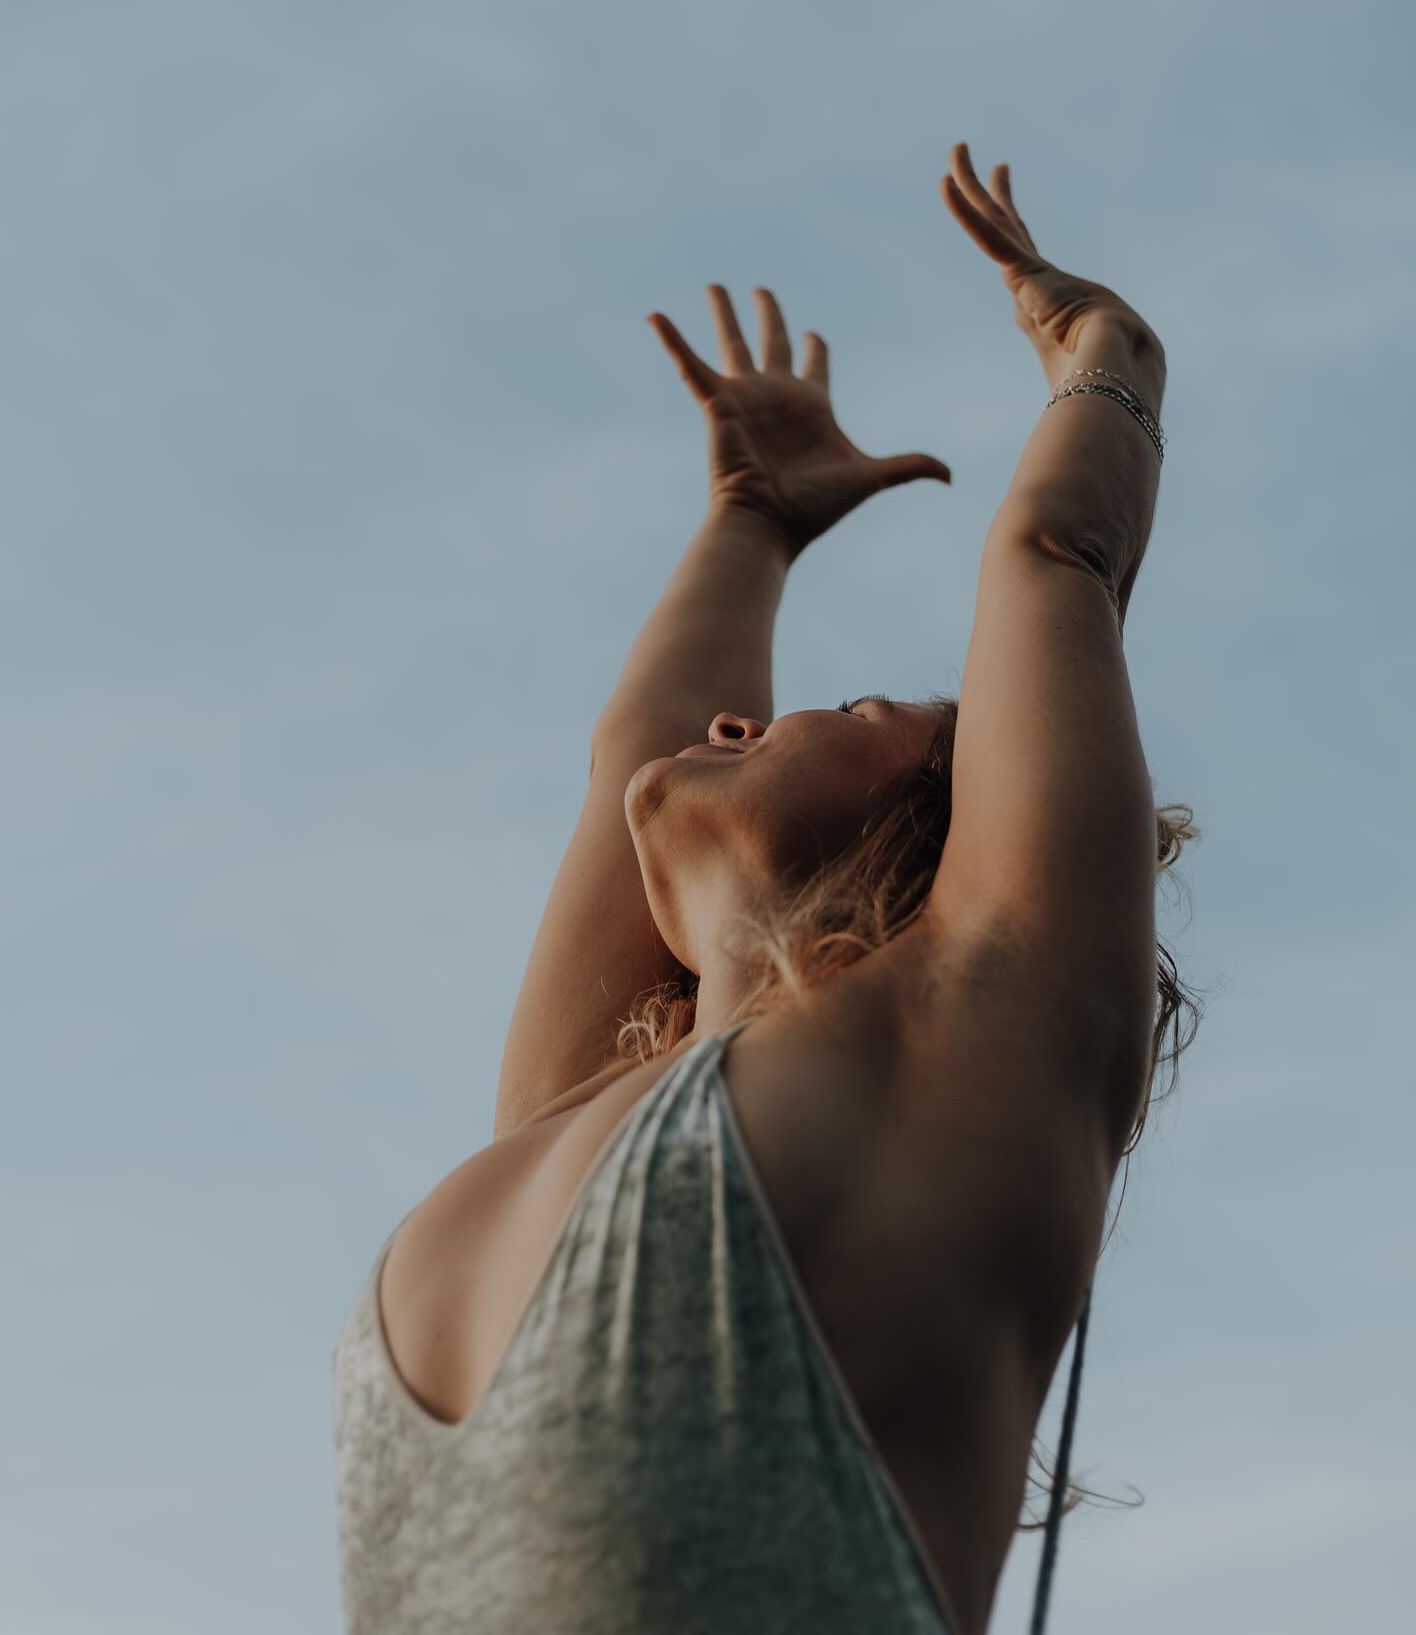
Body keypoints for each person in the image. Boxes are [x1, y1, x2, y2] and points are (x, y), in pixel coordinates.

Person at [332, 141, 1195, 1634]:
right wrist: (751, 522)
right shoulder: (557, 1130)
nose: (734, 725)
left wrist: (1109, 354)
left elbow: (1054, 556)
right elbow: (642, 753)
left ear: (938, 840)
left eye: (843, 716)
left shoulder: (978, 1021)